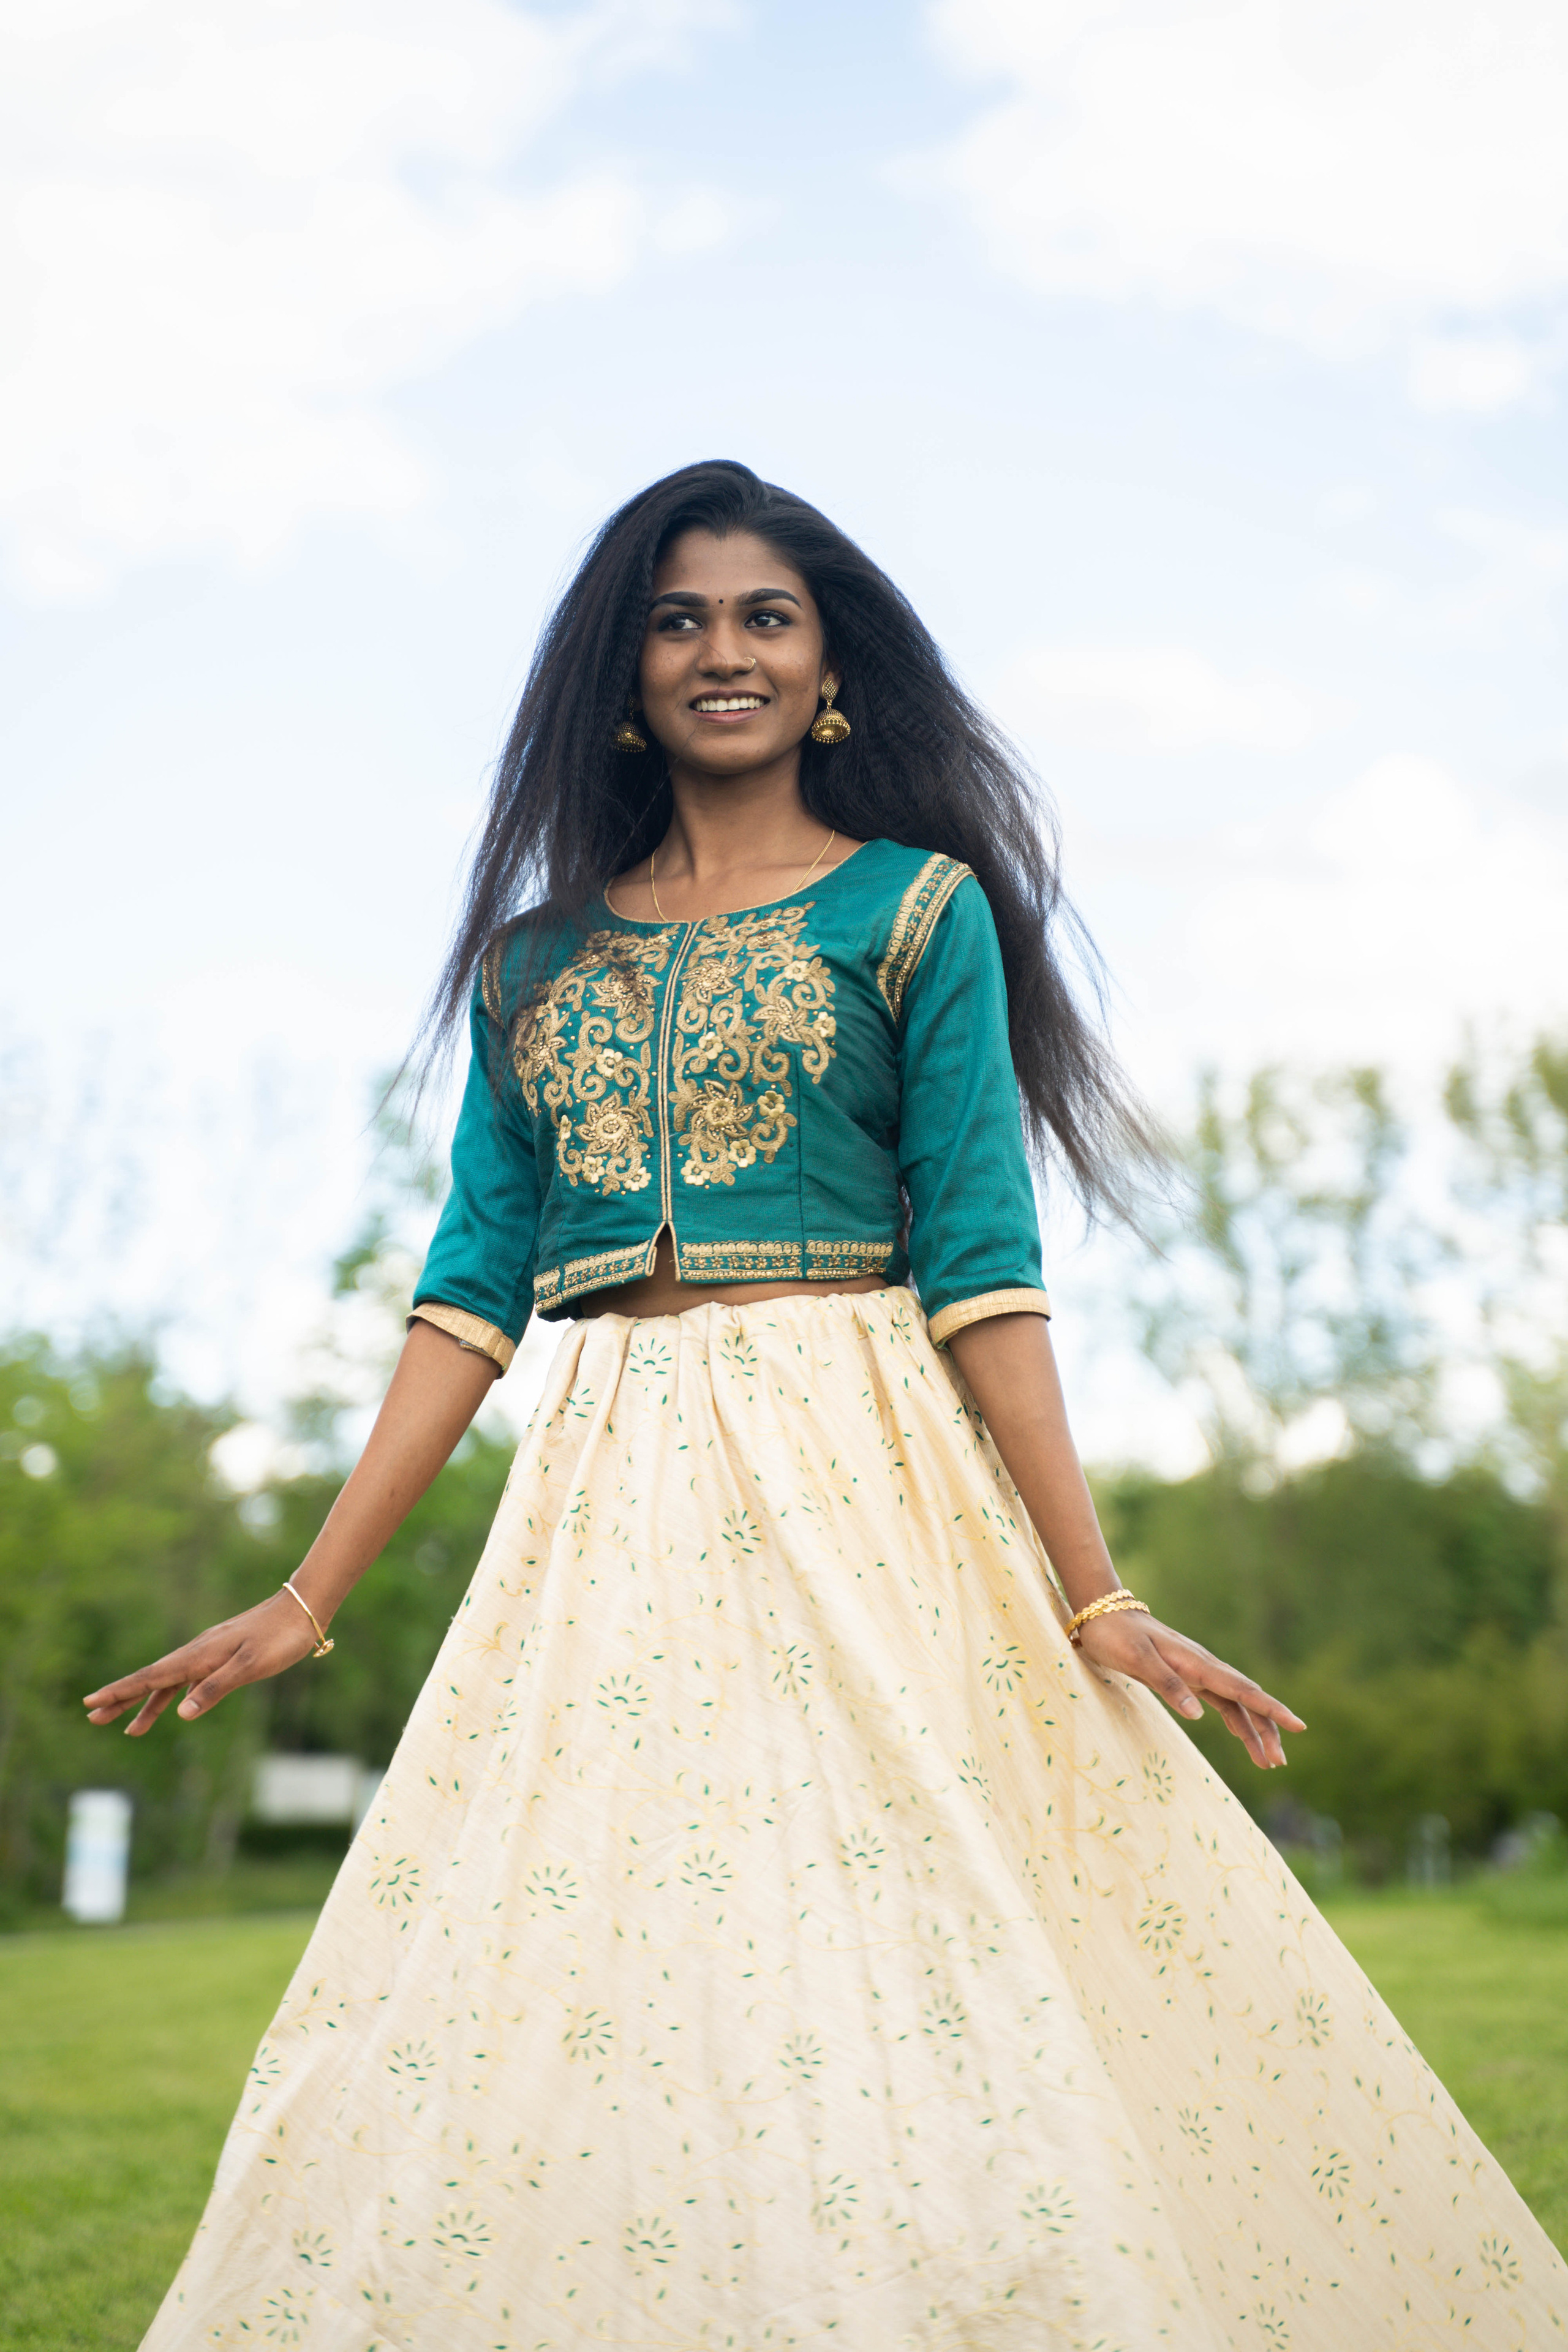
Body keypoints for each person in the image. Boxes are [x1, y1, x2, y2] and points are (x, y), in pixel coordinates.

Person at [88, 461, 1564, 2348]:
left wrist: (1094, 1590)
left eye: (766, 615)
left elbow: (986, 1266)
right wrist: (312, 1593)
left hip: (867, 1466)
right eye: (680, 616)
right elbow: (472, 1288)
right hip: (606, 1491)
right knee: (584, 1938)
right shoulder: (534, 964)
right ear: (622, 677)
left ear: (830, 666)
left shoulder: (919, 913)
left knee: (916, 1920)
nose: (724, 650)